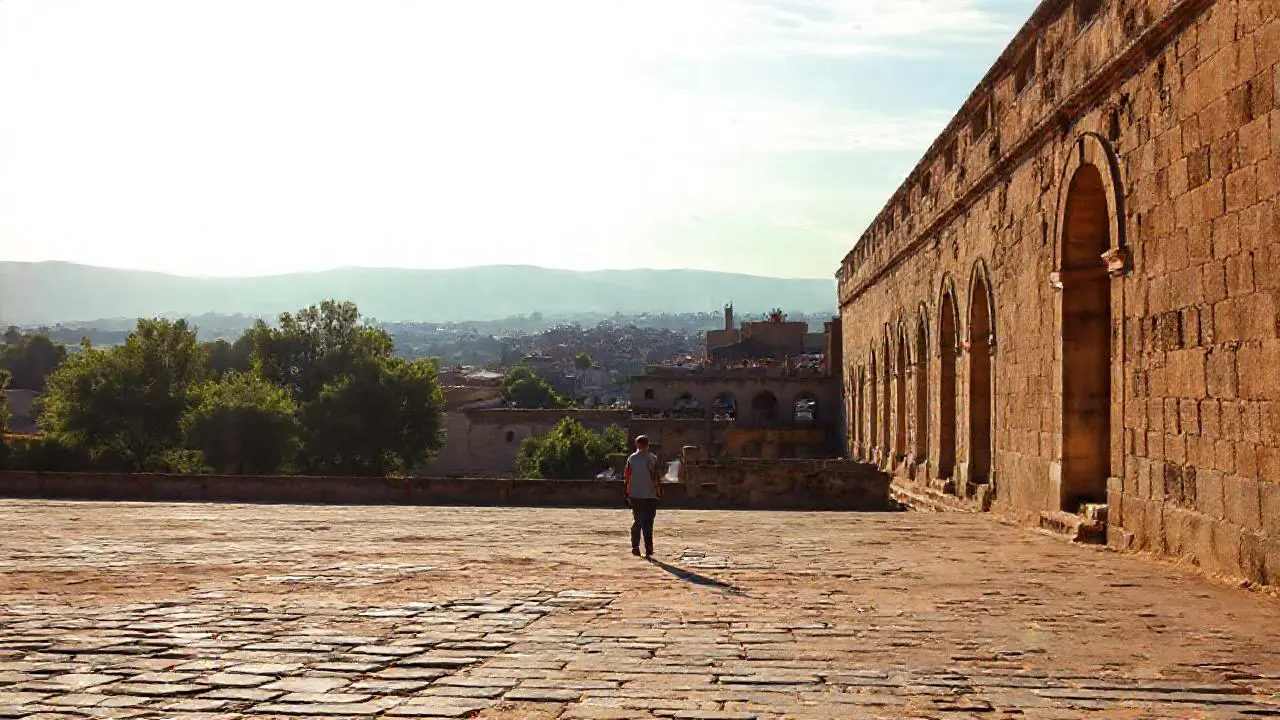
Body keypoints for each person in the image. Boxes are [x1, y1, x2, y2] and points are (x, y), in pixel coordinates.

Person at [623, 434, 662, 558]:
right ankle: (649, 547)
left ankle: (635, 547)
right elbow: (657, 477)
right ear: (648, 445)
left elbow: (627, 476)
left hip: (636, 494)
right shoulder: (653, 458)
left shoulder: (632, 459)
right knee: (648, 522)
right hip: (650, 494)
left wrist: (627, 492)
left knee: (638, 521)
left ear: (637, 445)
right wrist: (658, 491)